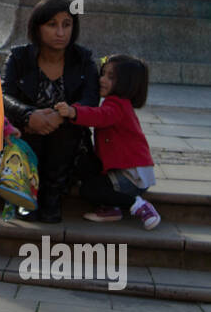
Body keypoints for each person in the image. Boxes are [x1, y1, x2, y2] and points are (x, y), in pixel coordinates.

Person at [2, 0, 99, 223]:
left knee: (65, 128)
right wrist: (28, 115)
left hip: (68, 140)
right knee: (31, 128)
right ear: (37, 27)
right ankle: (28, 192)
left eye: (66, 25)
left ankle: (52, 195)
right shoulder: (19, 57)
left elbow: (90, 100)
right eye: (52, 25)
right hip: (27, 132)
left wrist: (60, 117)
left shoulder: (83, 59)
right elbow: (4, 96)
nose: (60, 32)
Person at [55, 54, 161, 229]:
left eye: (110, 77)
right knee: (87, 170)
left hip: (131, 177)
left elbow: (100, 116)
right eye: (103, 73)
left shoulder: (117, 105)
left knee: (89, 190)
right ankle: (111, 209)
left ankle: (138, 205)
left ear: (126, 83)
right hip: (125, 171)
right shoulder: (117, 103)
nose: (102, 79)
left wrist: (74, 112)